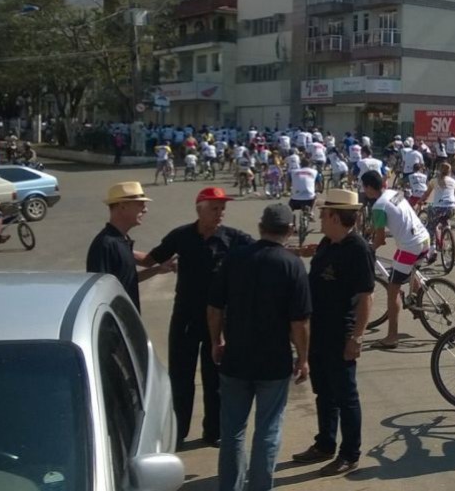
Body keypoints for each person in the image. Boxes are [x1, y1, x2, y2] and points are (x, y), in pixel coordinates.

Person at [208, 204, 312, 491]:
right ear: (290, 230)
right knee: (268, 431)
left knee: (232, 432)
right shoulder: (292, 265)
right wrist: (303, 358)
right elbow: (299, 321)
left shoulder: (235, 258)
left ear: (260, 226)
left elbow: (215, 307)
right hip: (273, 363)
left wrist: (217, 341)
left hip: (235, 359)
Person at [143, 187, 253, 449]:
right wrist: (121, 253)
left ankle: (213, 431)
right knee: (181, 377)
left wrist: (290, 252)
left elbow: (261, 252)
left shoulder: (233, 238)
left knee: (215, 378)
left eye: (222, 208)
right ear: (199, 209)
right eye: (214, 208)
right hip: (185, 318)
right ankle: (177, 432)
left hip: (218, 321)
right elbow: (151, 258)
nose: (220, 213)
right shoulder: (181, 236)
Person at [290, 189, 374, 476]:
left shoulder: (358, 249)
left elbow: (366, 297)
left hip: (342, 334)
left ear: (336, 217)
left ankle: (349, 453)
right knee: (323, 392)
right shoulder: (328, 243)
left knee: (345, 396)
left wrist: (357, 337)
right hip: (318, 331)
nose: (320, 219)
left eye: (324, 214)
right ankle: (325, 442)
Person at [360, 170, 430, 350]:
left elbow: (380, 239)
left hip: (410, 245)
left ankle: (392, 336)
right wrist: (372, 227)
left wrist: (369, 250)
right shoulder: (394, 193)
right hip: (424, 239)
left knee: (393, 289)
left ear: (368, 188)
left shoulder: (378, 207)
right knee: (410, 268)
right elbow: (397, 214)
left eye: (363, 187)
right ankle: (416, 299)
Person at [87, 182, 173, 312]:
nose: (145, 209)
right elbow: (99, 292)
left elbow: (127, 280)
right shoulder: (105, 245)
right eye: (140, 205)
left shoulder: (121, 240)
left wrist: (157, 269)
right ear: (122, 207)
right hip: (116, 324)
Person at [422, 162, 455, 258]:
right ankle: (447, 229)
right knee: (445, 218)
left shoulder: (434, 181)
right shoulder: (453, 182)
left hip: (438, 207)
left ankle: (432, 250)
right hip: (451, 208)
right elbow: (453, 193)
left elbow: (427, 194)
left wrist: (420, 201)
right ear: (450, 171)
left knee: (431, 227)